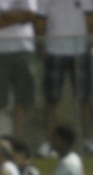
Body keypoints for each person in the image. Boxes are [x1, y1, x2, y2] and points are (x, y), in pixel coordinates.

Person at [34, 0, 93, 158]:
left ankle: (88, 140)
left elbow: (90, 18)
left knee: (84, 98)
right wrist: (41, 46)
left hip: (79, 50)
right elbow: (40, 22)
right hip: (54, 50)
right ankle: (49, 142)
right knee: (51, 99)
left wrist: (88, 44)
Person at [0, 0, 38, 151]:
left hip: (24, 48)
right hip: (0, 51)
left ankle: (16, 144)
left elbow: (30, 15)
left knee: (22, 100)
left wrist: (5, 15)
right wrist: (18, 18)